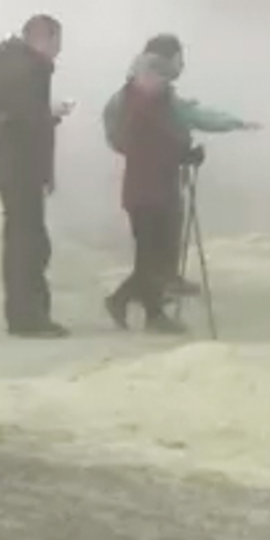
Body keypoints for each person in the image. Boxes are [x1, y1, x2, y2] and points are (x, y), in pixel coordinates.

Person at [131, 33, 258, 296]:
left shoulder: (143, 90)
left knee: (152, 246)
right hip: (154, 181)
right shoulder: (152, 95)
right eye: (179, 59)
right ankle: (156, 294)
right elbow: (190, 119)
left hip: (146, 179)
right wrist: (182, 152)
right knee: (159, 240)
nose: (182, 66)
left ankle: (142, 298)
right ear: (165, 61)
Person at [102, 53, 199, 334]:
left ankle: (137, 307)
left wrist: (182, 152)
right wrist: (184, 153)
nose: (163, 83)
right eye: (159, 77)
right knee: (150, 259)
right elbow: (157, 142)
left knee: (150, 258)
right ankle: (143, 311)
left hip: (152, 188)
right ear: (145, 77)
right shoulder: (141, 106)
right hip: (146, 190)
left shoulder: (148, 102)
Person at [0, 14, 74, 337]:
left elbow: (18, 117)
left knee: (23, 243)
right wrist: (50, 113)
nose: (59, 50)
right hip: (21, 169)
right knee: (29, 246)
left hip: (14, 168)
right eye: (57, 41)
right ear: (43, 38)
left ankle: (22, 315)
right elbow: (26, 120)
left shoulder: (13, 65)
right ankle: (28, 318)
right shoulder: (28, 69)